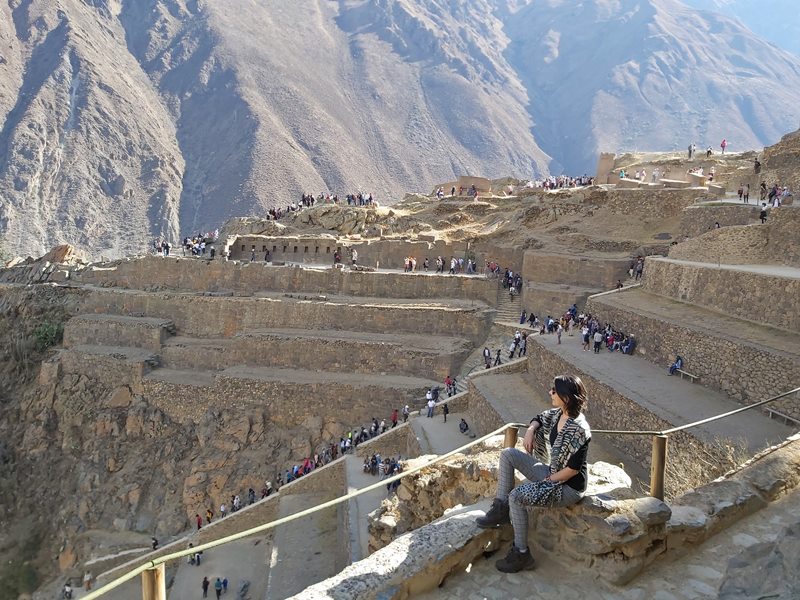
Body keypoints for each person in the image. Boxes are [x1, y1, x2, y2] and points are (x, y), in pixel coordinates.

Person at [476, 375, 591, 573]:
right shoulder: (558, 414)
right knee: (508, 454)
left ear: (566, 397)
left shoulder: (580, 429)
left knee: (517, 496)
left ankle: (521, 553)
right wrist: (530, 429)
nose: (550, 393)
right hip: (553, 472)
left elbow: (572, 470)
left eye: (554, 391)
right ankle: (501, 510)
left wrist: (546, 481)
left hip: (567, 486)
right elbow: (540, 417)